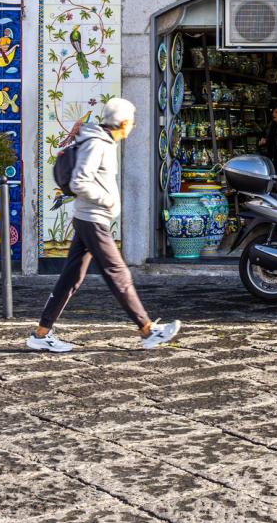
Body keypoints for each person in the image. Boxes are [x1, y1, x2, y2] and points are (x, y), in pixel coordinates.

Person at [31, 97, 180, 353]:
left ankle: (41, 334)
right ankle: (147, 330)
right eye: (131, 122)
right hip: (93, 219)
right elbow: (79, 182)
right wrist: (108, 200)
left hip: (88, 218)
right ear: (122, 123)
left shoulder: (101, 141)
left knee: (71, 278)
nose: (132, 127)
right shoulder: (98, 144)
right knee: (118, 274)